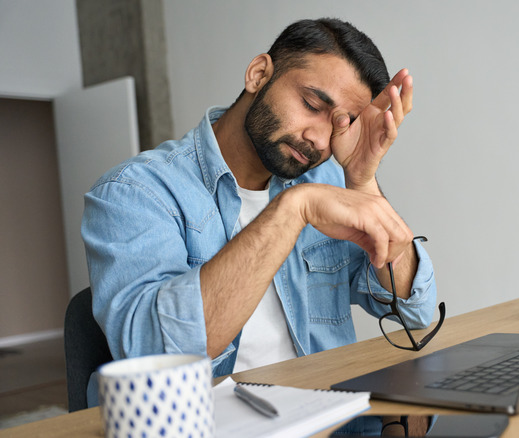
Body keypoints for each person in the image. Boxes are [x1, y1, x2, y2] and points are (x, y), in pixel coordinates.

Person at [81, 18, 437, 406]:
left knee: (434, 409)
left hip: (328, 418)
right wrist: (293, 209)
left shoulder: (328, 180)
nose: (319, 139)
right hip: (209, 426)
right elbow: (155, 358)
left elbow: (414, 311)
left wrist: (362, 180)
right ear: (258, 74)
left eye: (340, 123)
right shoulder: (135, 192)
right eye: (312, 105)